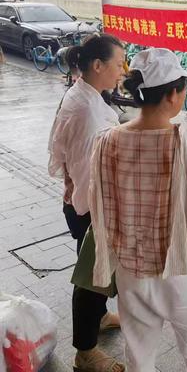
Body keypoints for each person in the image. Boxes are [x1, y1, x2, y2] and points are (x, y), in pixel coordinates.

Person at [88, 48, 187, 372]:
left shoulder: (106, 142)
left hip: (132, 271)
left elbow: (101, 205)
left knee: (139, 356)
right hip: (182, 269)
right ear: (172, 95)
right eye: (183, 88)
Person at [48, 34, 126, 372]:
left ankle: (100, 318)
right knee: (91, 277)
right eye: (119, 64)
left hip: (79, 201)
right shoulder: (90, 111)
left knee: (97, 271)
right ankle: (85, 352)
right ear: (98, 66)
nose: (123, 70)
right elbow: (91, 171)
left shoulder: (82, 93)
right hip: (89, 206)